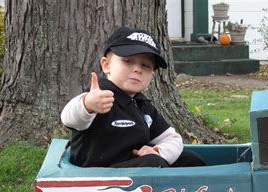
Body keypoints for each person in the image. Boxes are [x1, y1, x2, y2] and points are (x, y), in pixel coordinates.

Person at [61, 27, 206, 168]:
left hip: (133, 165)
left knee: (191, 159)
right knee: (153, 164)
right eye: (128, 61)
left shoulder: (142, 105)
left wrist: (158, 151)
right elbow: (69, 119)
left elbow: (171, 138)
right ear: (106, 66)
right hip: (100, 173)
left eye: (146, 65)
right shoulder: (99, 96)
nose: (137, 69)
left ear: (152, 76)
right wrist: (87, 105)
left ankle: (198, 191)